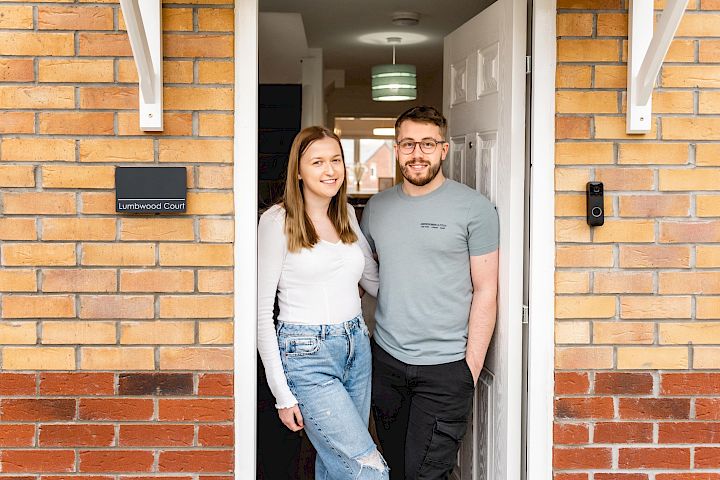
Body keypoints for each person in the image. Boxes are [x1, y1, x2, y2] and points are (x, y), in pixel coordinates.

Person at [360, 106, 499, 479]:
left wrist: (468, 370)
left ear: (443, 149)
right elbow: (364, 270)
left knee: (426, 474)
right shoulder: (377, 208)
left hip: (445, 368)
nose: (417, 153)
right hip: (386, 364)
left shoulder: (475, 208)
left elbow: (487, 290)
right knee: (393, 468)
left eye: (426, 144)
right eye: (408, 144)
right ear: (396, 148)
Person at [257, 126, 390, 480]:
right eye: (317, 162)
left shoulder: (345, 213)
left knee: (336, 466)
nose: (330, 170)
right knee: (367, 470)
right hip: (305, 353)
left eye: (336, 160)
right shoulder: (276, 222)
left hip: (356, 347)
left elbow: (373, 281)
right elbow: (260, 316)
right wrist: (282, 395)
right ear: (298, 170)